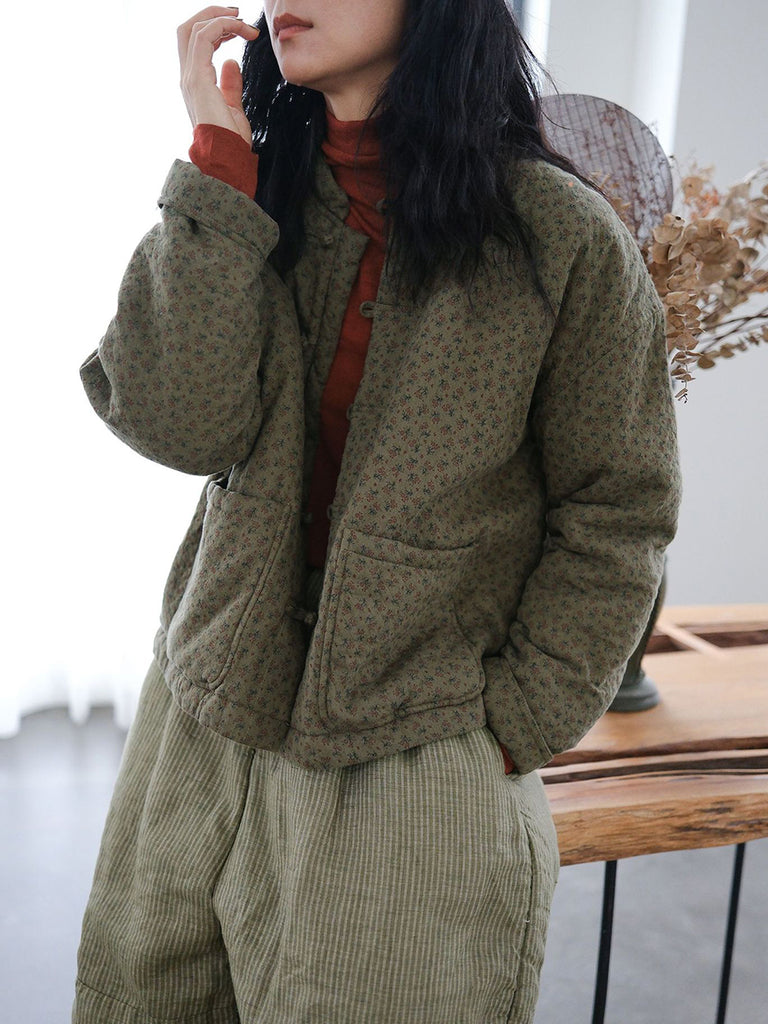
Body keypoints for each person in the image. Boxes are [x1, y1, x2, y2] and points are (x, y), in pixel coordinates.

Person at [72, 2, 682, 1022]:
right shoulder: (250, 193)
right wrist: (216, 164)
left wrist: (516, 722)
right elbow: (178, 423)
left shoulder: (560, 238)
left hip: (414, 754)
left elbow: (618, 509)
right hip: (202, 725)